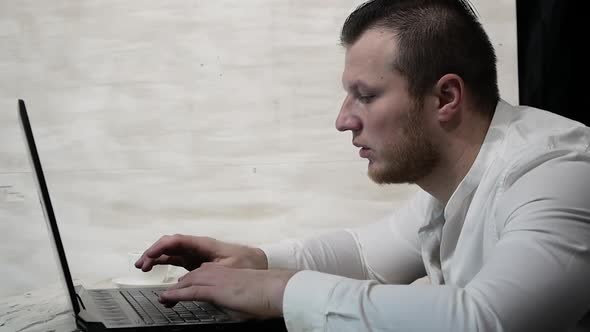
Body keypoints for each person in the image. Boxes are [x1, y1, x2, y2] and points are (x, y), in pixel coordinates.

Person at [135, 0, 590, 330]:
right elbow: (368, 256)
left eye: (366, 96)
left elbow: (488, 320)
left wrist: (278, 292)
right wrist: (256, 262)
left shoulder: (557, 172)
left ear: (445, 98)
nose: (343, 120)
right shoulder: (457, 182)